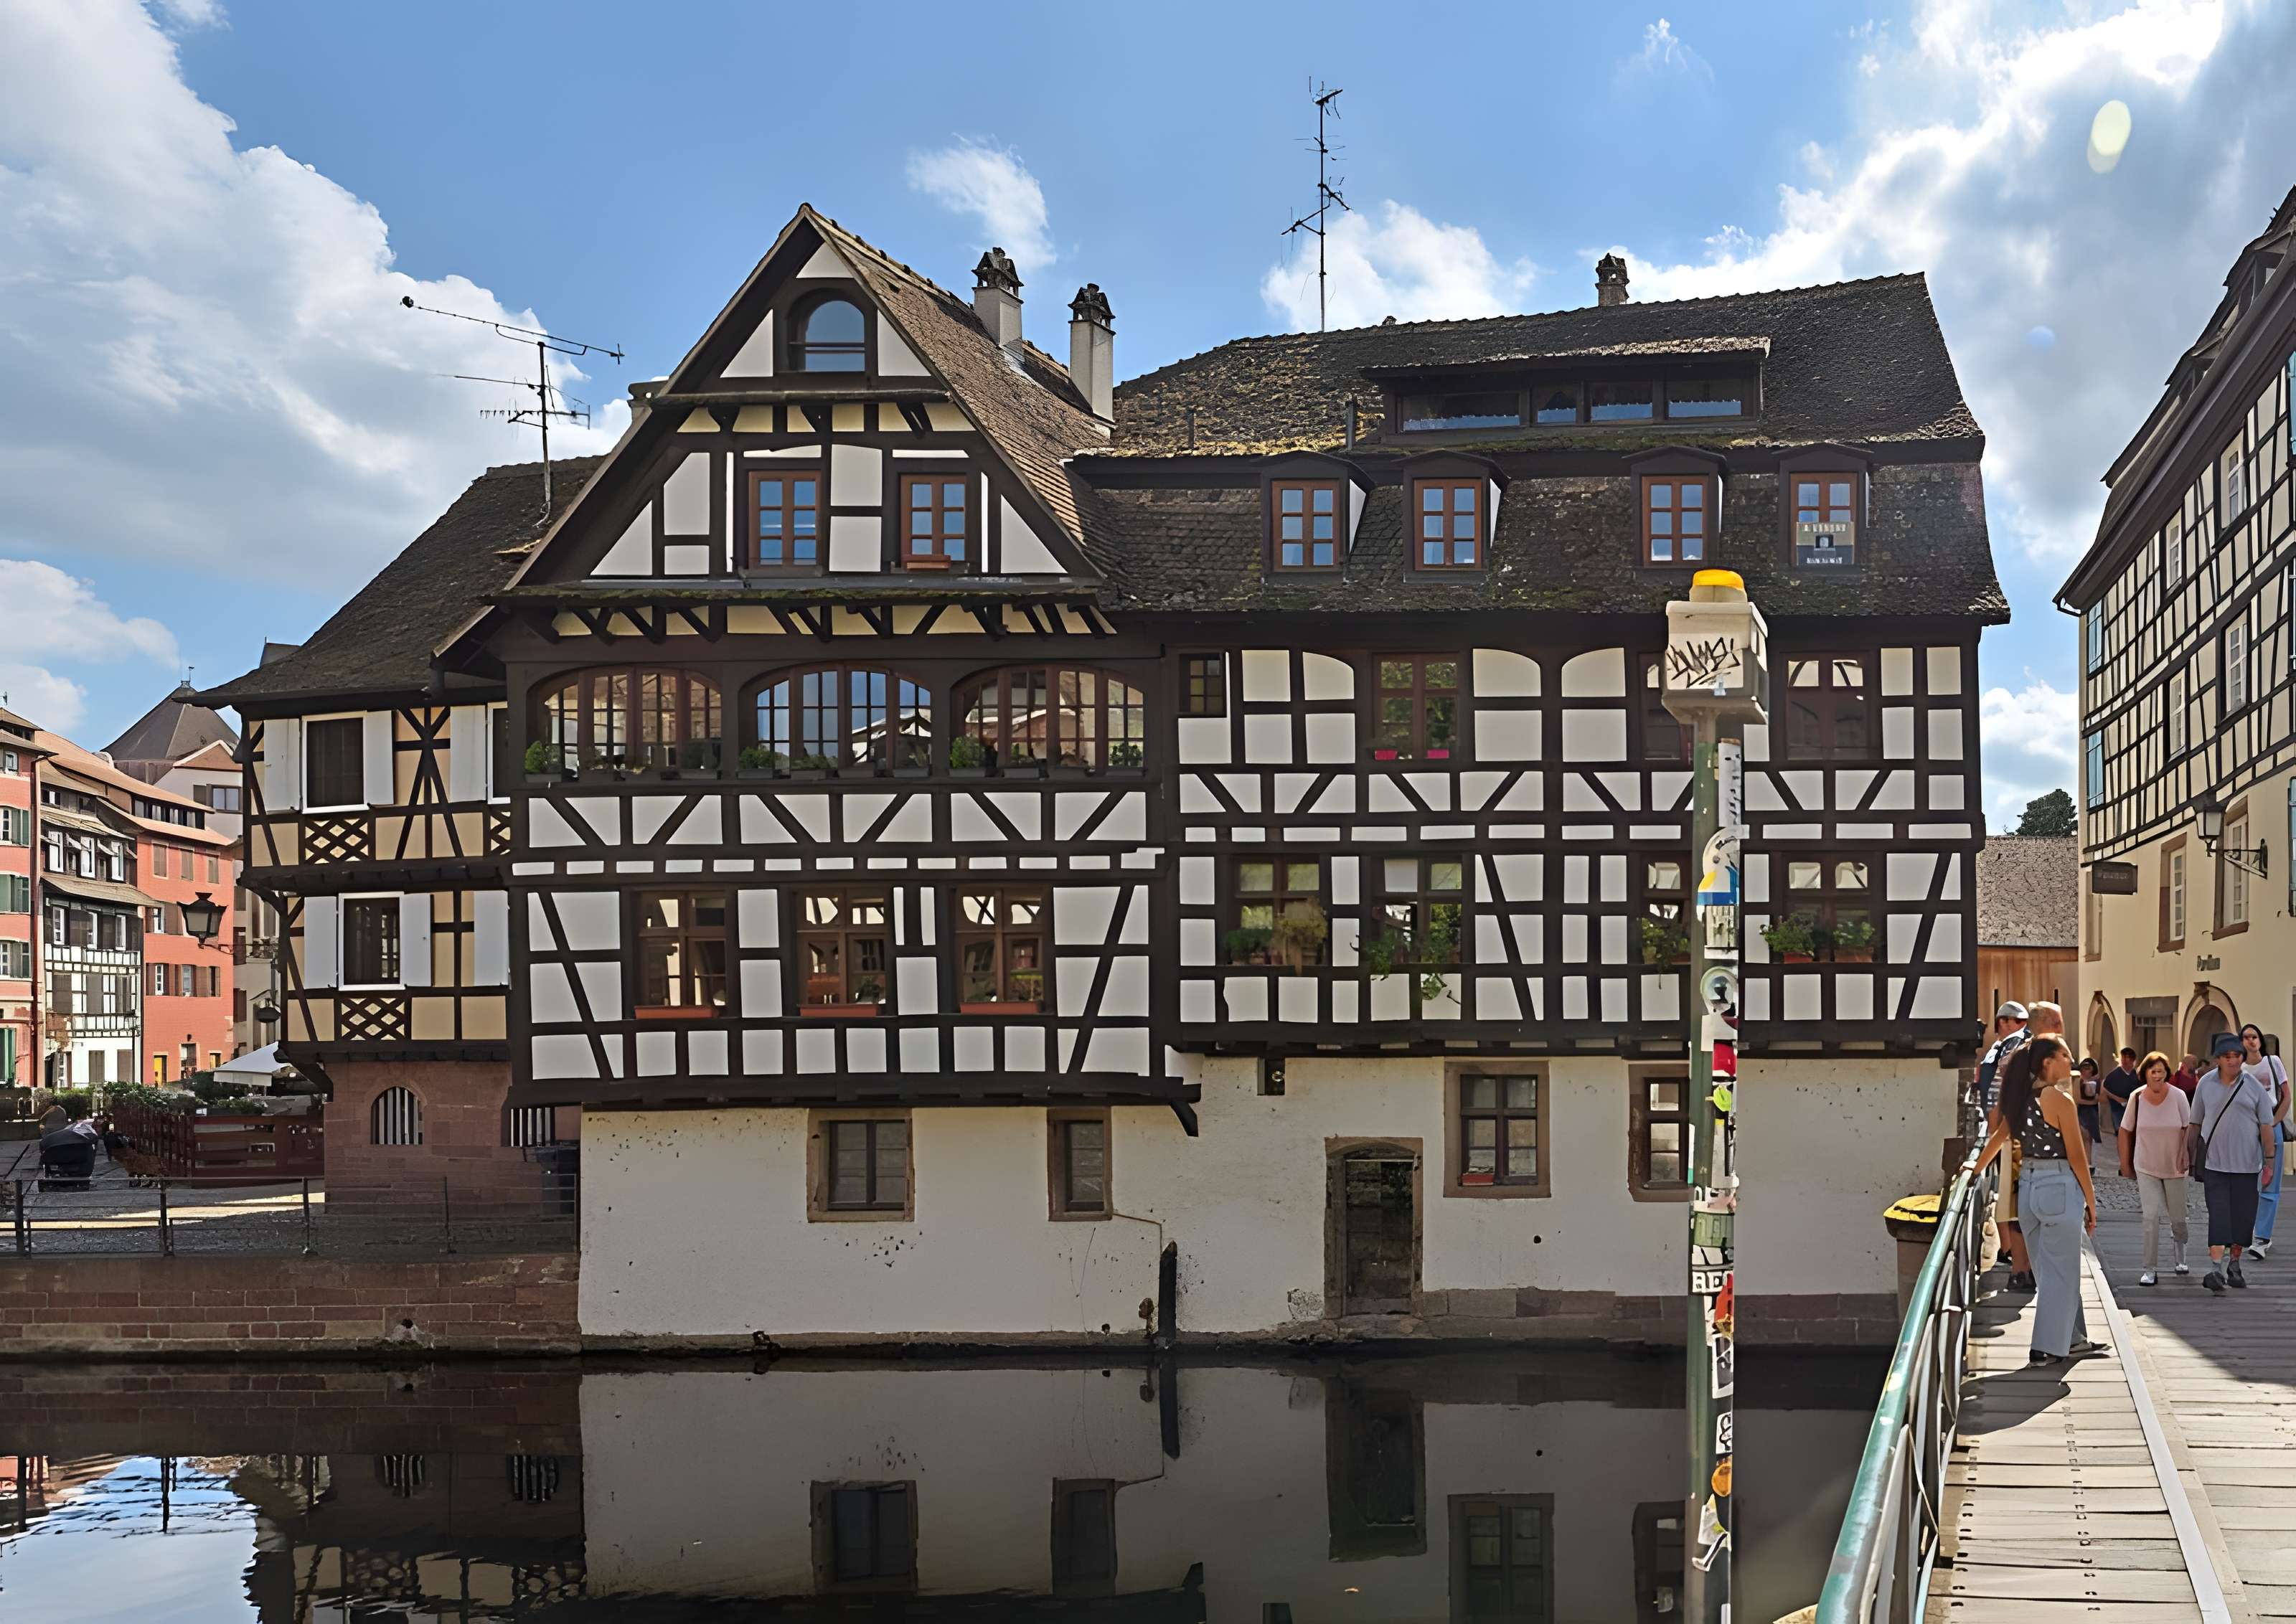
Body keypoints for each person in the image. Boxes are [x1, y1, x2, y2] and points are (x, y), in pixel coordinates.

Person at [1974, 1034, 2104, 1365]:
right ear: (2048, 1062)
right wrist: (2091, 1201)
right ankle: (2045, 1347)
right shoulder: (2059, 1100)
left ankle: (2073, 1340)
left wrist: (1973, 1169)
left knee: (2050, 1272)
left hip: (2028, 1188)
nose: (2071, 1064)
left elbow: (1999, 1136)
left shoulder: (2020, 1097)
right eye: (2065, 1056)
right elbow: (2076, 1156)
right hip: (2058, 1185)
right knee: (2062, 1273)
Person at [2193, 1032, 2279, 1293]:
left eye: (2236, 1056)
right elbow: (2194, 1123)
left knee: (2242, 1219)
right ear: (2218, 1059)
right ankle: (2216, 1269)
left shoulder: (2254, 1087)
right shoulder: (2205, 1085)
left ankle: (2235, 1264)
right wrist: (2187, 1155)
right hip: (2215, 1165)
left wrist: (2270, 1162)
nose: (2232, 1061)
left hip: (2247, 1165)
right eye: (2227, 1057)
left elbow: (2266, 1126)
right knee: (2219, 1217)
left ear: (2242, 1058)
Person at [2117, 1051, 2191, 1285]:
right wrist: (2125, 1164)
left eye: (2161, 1071)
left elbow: (2187, 1129)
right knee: (2150, 1217)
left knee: (2178, 1218)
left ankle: (2181, 1256)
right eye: (2153, 1071)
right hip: (2146, 1164)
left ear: (2167, 1073)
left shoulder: (2178, 1096)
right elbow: (2125, 1130)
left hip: (2174, 1165)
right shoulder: (2136, 1098)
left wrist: (2184, 1155)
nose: (2157, 1075)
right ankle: (2150, 1268)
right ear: (2145, 1073)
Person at [1975, 1002, 2034, 1286]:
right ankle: (2010, 1251)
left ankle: (2012, 1254)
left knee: (2010, 1195)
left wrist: (1992, 1134)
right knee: (2008, 1194)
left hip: (2008, 1132)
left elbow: (1997, 1095)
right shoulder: (2008, 1047)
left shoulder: (2010, 1048)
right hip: (2006, 1130)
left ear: (2005, 1022)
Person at [2239, 1025, 2289, 1258]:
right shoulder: (2239, 1068)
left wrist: (2275, 1123)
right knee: (2249, 1181)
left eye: (2254, 1036)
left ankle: (2262, 1238)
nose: (2251, 1041)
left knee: (2270, 1183)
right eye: (2246, 1037)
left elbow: (2286, 1096)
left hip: (2272, 1125)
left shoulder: (2273, 1062)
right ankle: (2248, 1231)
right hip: (2248, 1128)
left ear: (2260, 1040)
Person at [2103, 1046, 2141, 1138]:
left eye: (2128, 1058)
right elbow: (2105, 1090)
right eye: (2123, 1057)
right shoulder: (2114, 1075)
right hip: (2117, 1109)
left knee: (2132, 1133)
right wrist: (2118, 1099)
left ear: (2133, 1061)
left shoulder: (2136, 1075)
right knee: (2121, 1132)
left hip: (2133, 1108)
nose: (2125, 1060)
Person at [2076, 1057, 2104, 1146]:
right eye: (2085, 1068)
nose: (2086, 1071)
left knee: (2089, 1140)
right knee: (2084, 1137)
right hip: (2081, 1112)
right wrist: (2092, 1102)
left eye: (2089, 1069)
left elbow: (2100, 1098)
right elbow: (2077, 1100)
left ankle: (2088, 1160)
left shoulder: (2096, 1082)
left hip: (2092, 1114)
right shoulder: (2078, 1081)